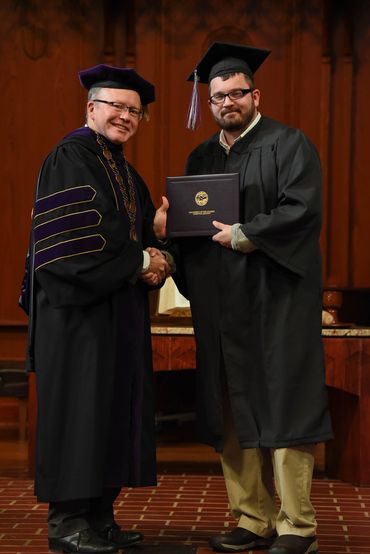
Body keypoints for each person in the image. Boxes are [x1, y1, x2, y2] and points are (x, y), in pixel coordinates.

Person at [158, 42, 333, 554]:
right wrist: (169, 233)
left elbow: (301, 211)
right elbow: (193, 231)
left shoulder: (289, 144)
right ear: (208, 103)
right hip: (221, 306)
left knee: (283, 404)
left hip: (276, 301)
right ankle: (251, 517)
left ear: (255, 94)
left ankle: (297, 525)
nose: (227, 103)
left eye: (237, 94)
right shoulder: (202, 157)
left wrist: (244, 234)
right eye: (217, 97)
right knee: (229, 406)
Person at [20, 64, 172, 554]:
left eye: (134, 111)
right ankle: (67, 522)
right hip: (76, 318)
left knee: (110, 412)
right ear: (92, 108)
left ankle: (100, 516)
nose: (126, 116)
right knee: (80, 412)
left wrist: (161, 246)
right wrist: (139, 261)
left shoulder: (123, 170)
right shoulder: (71, 156)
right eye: (116, 106)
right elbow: (77, 241)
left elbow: (142, 229)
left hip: (116, 313)